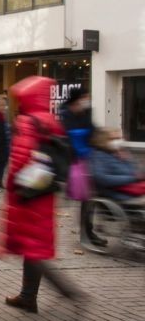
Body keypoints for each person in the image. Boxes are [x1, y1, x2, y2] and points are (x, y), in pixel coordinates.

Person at [0, 76, 82, 314]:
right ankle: (27, 296)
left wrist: (11, 185)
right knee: (34, 245)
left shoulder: (27, 121)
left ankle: (69, 293)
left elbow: (21, 158)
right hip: (45, 193)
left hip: (28, 194)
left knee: (32, 248)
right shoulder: (50, 119)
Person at [59, 87, 100, 243]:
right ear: (77, 99)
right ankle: (86, 232)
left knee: (89, 198)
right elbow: (65, 140)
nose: (87, 100)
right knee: (86, 197)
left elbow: (94, 131)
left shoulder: (85, 113)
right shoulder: (65, 115)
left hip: (89, 159)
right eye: (85, 97)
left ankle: (87, 231)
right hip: (75, 162)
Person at [89, 128, 144, 200]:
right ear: (103, 140)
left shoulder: (118, 153)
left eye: (119, 138)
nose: (118, 141)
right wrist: (133, 178)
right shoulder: (98, 156)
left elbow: (132, 172)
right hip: (117, 193)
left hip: (131, 189)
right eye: (113, 139)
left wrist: (127, 161)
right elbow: (101, 179)